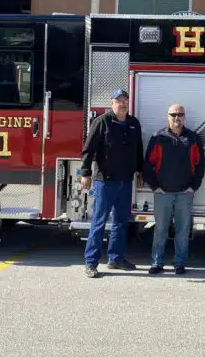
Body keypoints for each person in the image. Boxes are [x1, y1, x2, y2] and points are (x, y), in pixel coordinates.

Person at [80, 89, 144, 278]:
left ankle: (116, 258)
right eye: (118, 101)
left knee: (121, 223)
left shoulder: (133, 124)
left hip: (126, 180)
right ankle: (91, 263)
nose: (122, 104)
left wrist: (140, 171)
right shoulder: (101, 122)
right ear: (112, 103)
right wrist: (86, 173)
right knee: (99, 223)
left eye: (125, 100)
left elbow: (138, 149)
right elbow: (88, 149)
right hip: (105, 182)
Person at [143, 104, 205, 275]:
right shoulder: (158, 137)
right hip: (163, 193)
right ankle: (156, 262)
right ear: (168, 116)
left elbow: (200, 165)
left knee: (183, 230)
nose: (177, 118)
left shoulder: (193, 138)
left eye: (180, 114)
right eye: (173, 114)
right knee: (160, 229)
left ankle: (179, 263)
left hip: (185, 193)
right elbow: (148, 164)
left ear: (184, 117)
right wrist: (154, 187)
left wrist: (194, 187)